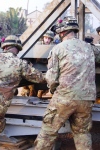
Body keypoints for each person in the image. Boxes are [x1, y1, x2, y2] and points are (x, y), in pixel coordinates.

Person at [34, 16, 100, 150]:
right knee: (82, 133)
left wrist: (53, 91)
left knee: (48, 132)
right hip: (86, 99)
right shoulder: (89, 48)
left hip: (64, 97)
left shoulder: (58, 49)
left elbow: (52, 79)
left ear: (62, 32)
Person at [21, 30, 55, 98]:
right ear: (43, 38)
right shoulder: (37, 45)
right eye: (46, 38)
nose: (47, 40)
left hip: (46, 68)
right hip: (36, 67)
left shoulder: (53, 47)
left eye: (49, 38)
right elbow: (30, 56)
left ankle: (39, 95)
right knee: (32, 87)